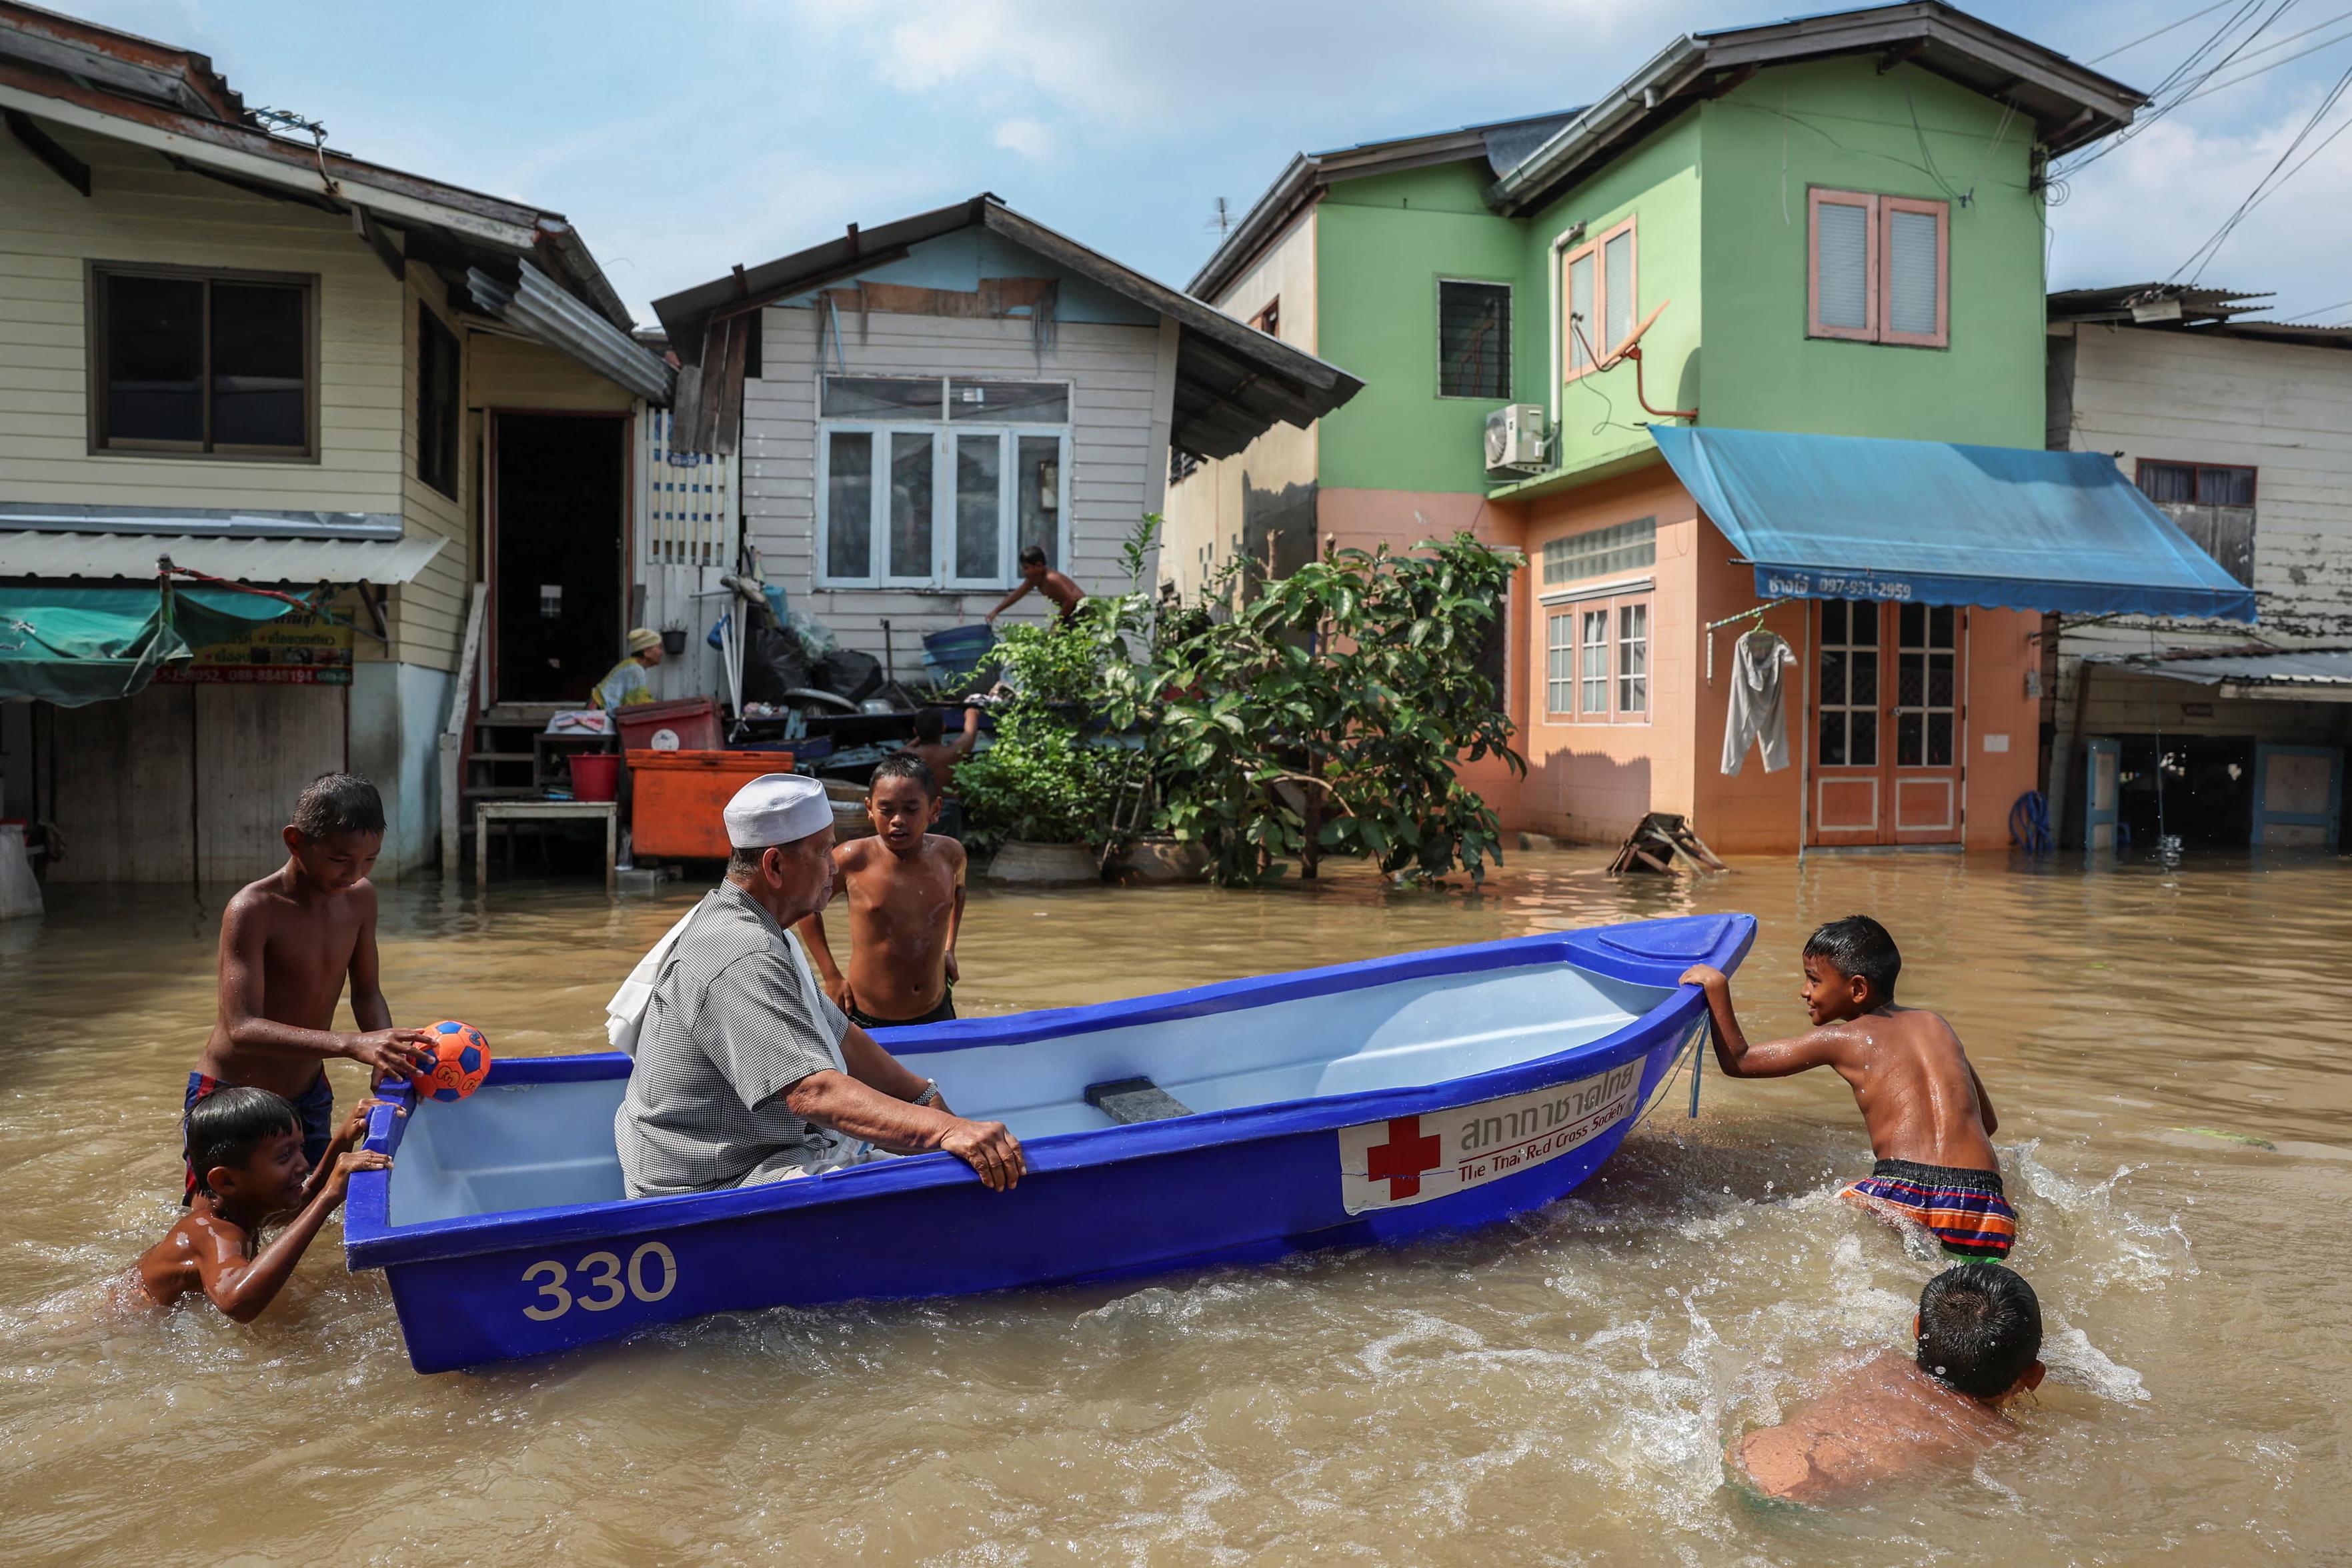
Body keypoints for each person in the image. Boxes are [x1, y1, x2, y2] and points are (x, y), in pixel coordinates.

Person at [612, 772, 1022, 1195]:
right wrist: (942, 1132)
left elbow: (843, 1037)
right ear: (774, 866)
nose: (833, 867)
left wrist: (922, 1097)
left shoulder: (766, 929)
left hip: (772, 1152)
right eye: (824, 852)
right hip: (718, 1182)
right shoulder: (742, 955)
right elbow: (812, 1091)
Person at [1680, 915, 2015, 1261]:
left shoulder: (1843, 1038)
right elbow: (1987, 1125)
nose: (1804, 991)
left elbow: (1741, 1061)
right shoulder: (1937, 1025)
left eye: (1814, 980)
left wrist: (1716, 986)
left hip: (1902, 1192)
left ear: (1857, 989)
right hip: (1985, 1206)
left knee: (1839, 1213)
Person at [186, 773, 433, 1203]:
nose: (354, 874)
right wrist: (351, 1043)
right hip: (236, 1097)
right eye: (340, 859)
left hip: (307, 1092)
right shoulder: (254, 909)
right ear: (295, 841)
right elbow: (241, 1027)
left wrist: (388, 1057)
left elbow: (367, 993)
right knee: (221, 1224)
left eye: (370, 859)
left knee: (309, 1209)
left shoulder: (360, 898)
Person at [1732, 1264, 2047, 1504]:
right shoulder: (1998, 1438)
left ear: (1916, 1326)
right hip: (1811, 1504)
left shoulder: (1868, 1359)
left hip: (1744, 1455)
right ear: (2033, 1377)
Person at [135, 1087, 398, 1319]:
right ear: (227, 1181)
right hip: (133, 1321)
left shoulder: (244, 1209)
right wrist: (329, 1196)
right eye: (285, 1156)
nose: (304, 1164)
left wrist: (342, 1141)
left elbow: (300, 1205)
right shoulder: (213, 1232)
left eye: (300, 1148)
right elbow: (237, 1302)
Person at [794, 755, 966, 1029]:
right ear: (870, 809)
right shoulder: (853, 859)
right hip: (869, 1015)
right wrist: (831, 975)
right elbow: (806, 905)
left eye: (911, 809)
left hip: (937, 1006)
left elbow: (958, 892)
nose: (898, 820)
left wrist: (949, 949)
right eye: (886, 809)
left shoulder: (951, 855)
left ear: (935, 810)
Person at [898, 705, 981, 840]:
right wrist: (971, 712)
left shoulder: (907, 755)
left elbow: (901, 751)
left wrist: (920, 736)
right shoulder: (951, 753)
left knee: (919, 851)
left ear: (915, 731)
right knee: (946, 852)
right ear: (943, 728)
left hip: (916, 810)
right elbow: (970, 733)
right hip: (947, 809)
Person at [984, 546, 1084, 627]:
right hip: (1071, 611)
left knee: (1060, 640)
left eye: (1027, 568)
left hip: (1082, 610)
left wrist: (1057, 623)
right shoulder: (1034, 580)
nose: (1025, 572)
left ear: (1039, 566)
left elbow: (1070, 600)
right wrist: (996, 611)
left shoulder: (1051, 579)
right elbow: (1016, 595)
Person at [593, 627, 665, 711]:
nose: (662, 652)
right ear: (647, 652)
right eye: (659, 647)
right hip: (599, 712)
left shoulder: (631, 665)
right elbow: (639, 703)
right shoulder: (636, 670)